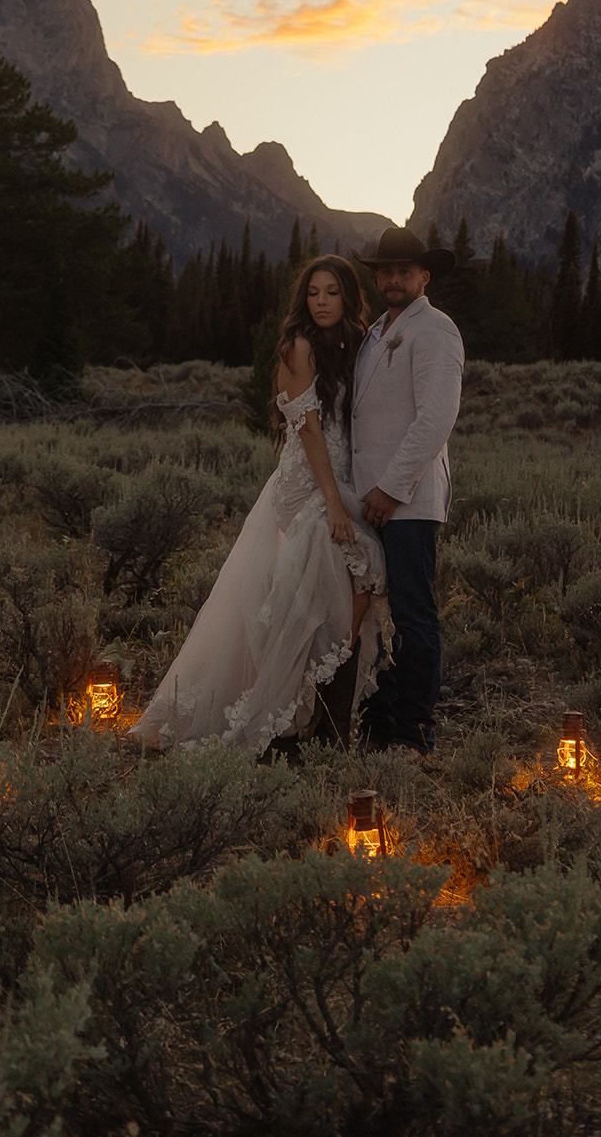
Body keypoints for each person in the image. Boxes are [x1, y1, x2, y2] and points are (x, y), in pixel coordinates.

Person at [131, 256, 391, 756]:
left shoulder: (355, 343)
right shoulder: (298, 345)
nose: (321, 302)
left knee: (350, 584)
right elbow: (308, 429)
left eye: (331, 292)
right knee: (344, 560)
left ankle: (319, 712)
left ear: (348, 297)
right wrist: (333, 503)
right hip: (307, 482)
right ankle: (285, 714)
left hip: (342, 479)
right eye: (313, 292)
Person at [351, 227, 464, 755]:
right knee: (376, 612)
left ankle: (414, 729)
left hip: (408, 501)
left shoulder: (436, 329)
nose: (393, 279)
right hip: (367, 499)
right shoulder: (375, 332)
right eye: (385, 271)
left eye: (404, 271)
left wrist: (391, 489)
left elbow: (435, 418)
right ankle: (377, 718)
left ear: (424, 276)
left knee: (413, 613)